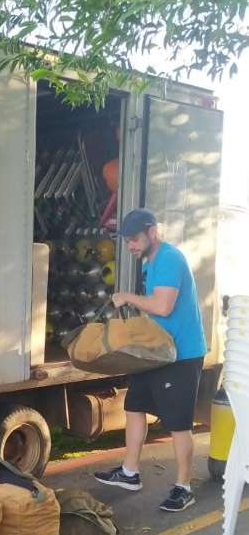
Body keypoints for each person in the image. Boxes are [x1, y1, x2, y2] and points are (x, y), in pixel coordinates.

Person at [94, 209, 207, 512]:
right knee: (134, 407)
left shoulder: (169, 259)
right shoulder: (150, 261)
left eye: (134, 239)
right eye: (127, 241)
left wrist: (127, 297)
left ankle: (184, 487)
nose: (130, 246)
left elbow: (163, 306)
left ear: (152, 232)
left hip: (180, 355)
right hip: (155, 351)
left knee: (178, 424)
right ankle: (129, 473)